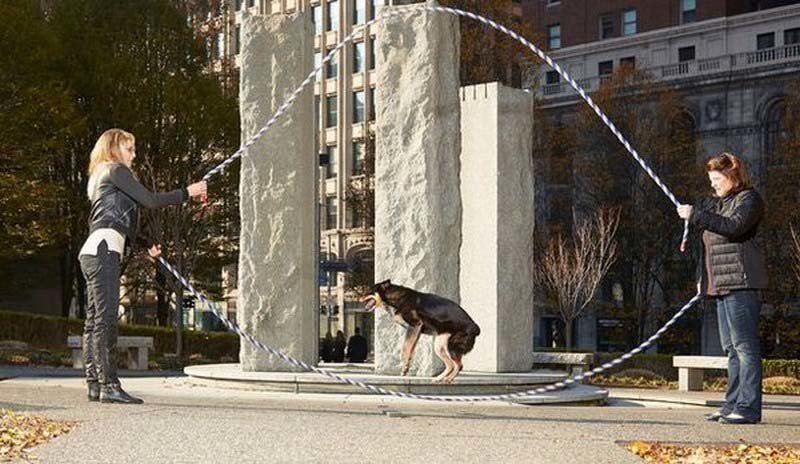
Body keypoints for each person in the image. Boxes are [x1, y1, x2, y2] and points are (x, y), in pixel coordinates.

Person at [79, 129, 207, 404]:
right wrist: (188, 192)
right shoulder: (116, 170)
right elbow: (149, 200)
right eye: (130, 149)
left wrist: (144, 246)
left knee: (94, 320)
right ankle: (109, 385)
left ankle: (94, 383)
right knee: (105, 320)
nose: (134, 155)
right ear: (114, 149)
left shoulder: (99, 175)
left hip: (93, 249)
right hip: (103, 250)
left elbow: (114, 219)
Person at [677, 152, 768, 425]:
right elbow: (710, 247)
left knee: (745, 347)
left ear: (732, 176)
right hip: (721, 285)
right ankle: (731, 405)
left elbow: (735, 228)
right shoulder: (721, 204)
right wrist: (702, 280)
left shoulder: (749, 200)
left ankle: (748, 408)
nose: (713, 185)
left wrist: (696, 215)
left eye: (717, 179)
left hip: (742, 283)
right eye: (711, 180)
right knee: (731, 349)